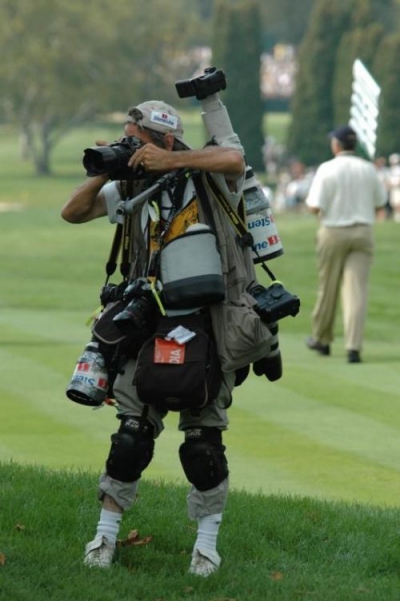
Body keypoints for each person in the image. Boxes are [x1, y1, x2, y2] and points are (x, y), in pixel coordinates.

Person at [62, 100, 275, 576]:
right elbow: (72, 212)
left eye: (135, 139)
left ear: (164, 140)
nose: (130, 146)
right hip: (146, 325)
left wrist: (173, 161)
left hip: (210, 328)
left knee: (203, 446)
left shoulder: (209, 176)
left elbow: (234, 159)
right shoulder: (131, 186)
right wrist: (106, 168)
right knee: (131, 439)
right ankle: (105, 537)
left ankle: (206, 547)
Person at [304, 125, 386, 363]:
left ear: (337, 145)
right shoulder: (368, 169)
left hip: (333, 230)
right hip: (363, 231)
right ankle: (353, 347)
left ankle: (322, 339)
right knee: (356, 290)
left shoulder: (327, 169)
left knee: (327, 287)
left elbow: (314, 206)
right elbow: (380, 203)